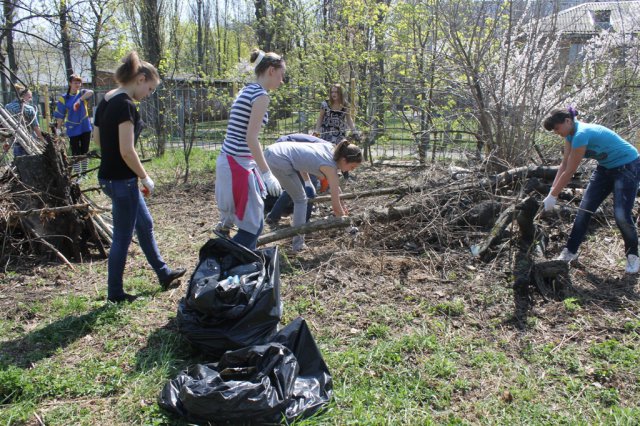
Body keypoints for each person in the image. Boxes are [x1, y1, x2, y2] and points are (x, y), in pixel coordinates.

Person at [93, 51, 185, 303]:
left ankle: (164, 273)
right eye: (150, 88)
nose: (148, 94)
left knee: (144, 224)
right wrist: (144, 177)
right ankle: (115, 293)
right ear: (141, 79)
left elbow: (98, 140)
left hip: (109, 177)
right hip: (122, 181)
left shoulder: (106, 99)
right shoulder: (125, 105)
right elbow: (127, 150)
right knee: (122, 237)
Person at [542, 107, 640, 273]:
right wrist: (552, 191)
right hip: (605, 168)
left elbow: (571, 170)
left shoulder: (581, 134)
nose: (556, 132)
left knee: (621, 215)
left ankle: (633, 255)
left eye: (557, 128)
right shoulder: (570, 135)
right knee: (584, 210)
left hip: (627, 166)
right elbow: (564, 164)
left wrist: (554, 195)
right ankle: (570, 251)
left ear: (568, 121)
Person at [215, 49, 285, 250]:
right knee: (253, 228)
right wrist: (267, 173)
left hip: (231, 161)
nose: (281, 81)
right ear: (271, 71)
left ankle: (230, 258)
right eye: (280, 75)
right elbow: (251, 138)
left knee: (248, 224)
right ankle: (226, 262)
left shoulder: (248, 90)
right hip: (237, 165)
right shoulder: (261, 96)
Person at [264, 139, 362, 251]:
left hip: (275, 150)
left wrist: (342, 205)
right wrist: (349, 227)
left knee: (300, 198)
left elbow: (302, 159)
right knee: (300, 200)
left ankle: (297, 242)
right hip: (278, 159)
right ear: (344, 160)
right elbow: (336, 208)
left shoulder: (331, 149)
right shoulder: (330, 168)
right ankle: (298, 246)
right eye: (352, 167)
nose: (351, 170)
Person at [265, 133, 327, 227]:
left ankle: (273, 216)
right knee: (309, 191)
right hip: (283, 151)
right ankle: (303, 223)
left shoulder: (327, 149)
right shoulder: (325, 152)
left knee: (293, 188)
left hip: (283, 149)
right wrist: (308, 181)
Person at [53, 74, 94, 180]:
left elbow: (91, 92)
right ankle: (78, 174)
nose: (78, 85)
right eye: (75, 82)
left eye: (79, 83)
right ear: (70, 83)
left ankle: (84, 173)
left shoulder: (82, 93)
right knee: (75, 151)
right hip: (72, 128)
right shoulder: (64, 98)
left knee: (85, 150)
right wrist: (58, 129)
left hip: (85, 126)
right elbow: (60, 115)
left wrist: (80, 100)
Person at [4, 84, 45, 157]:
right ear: (23, 96)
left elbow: (5, 126)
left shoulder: (7, 107)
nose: (30, 99)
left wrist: (6, 141)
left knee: (18, 161)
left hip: (15, 140)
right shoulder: (29, 109)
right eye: (29, 97)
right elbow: (36, 127)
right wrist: (42, 140)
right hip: (30, 141)